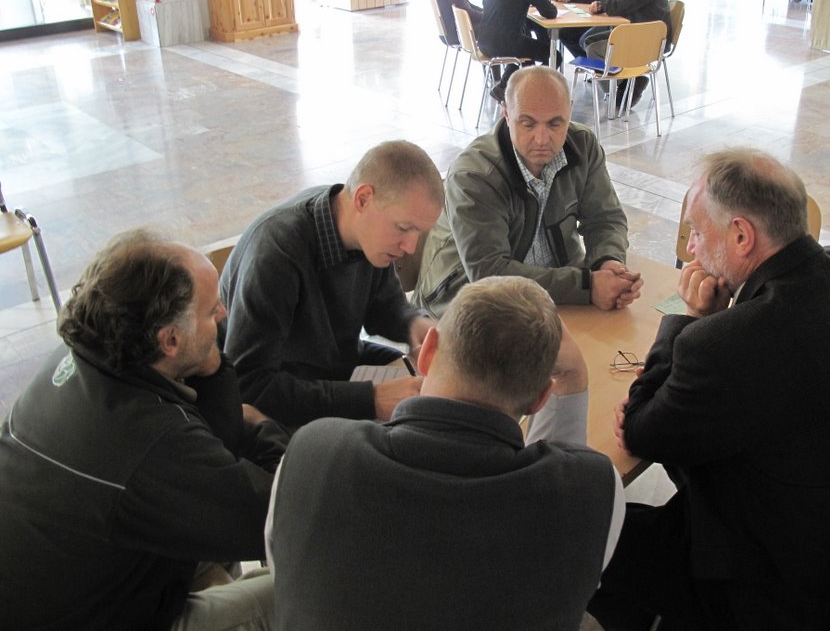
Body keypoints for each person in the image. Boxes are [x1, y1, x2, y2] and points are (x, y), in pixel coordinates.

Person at [589, 149, 830, 631]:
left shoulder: (735, 342)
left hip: (780, 592)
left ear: (742, 235)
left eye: (697, 232)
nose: (691, 250)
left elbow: (642, 432)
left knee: (584, 528)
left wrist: (688, 318)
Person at [267, 275, 625, 630]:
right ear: (541, 398)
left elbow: (287, 575)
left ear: (427, 352)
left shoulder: (312, 455)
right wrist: (573, 377)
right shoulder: (594, 490)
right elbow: (563, 503)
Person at [0, 230, 288, 631]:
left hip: (71, 578)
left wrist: (213, 370)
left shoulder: (78, 354)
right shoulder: (152, 440)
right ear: (169, 339)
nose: (224, 314)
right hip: (101, 615)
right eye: (211, 311)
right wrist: (266, 427)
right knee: (312, 586)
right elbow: (279, 518)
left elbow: (215, 450)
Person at [220, 141, 444, 428]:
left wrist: (411, 323)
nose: (410, 247)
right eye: (403, 228)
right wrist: (371, 399)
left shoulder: (365, 233)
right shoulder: (277, 250)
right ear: (363, 199)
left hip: (333, 365)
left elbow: (384, 307)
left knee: (432, 392)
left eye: (418, 233)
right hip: (279, 395)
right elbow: (249, 385)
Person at [414, 66, 642, 317]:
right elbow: (489, 274)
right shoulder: (473, 176)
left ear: (570, 110)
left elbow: (605, 219)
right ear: (506, 113)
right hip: (468, 305)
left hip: (556, 295)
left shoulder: (583, 146)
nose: (542, 139)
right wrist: (586, 286)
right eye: (527, 123)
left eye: (555, 123)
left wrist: (607, 262)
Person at [580, 0, 672, 109]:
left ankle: (620, 87)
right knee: (588, 40)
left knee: (593, 47)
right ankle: (626, 82)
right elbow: (618, 0)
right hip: (638, 33)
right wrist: (601, 5)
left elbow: (615, 6)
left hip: (648, 41)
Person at [478, 0, 557, 104]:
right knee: (555, 55)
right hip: (503, 44)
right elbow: (549, 12)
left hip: (484, 41)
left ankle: (505, 87)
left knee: (525, 49)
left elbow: (486, 2)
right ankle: (534, 91)